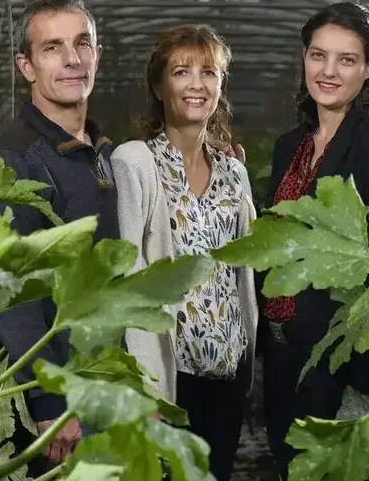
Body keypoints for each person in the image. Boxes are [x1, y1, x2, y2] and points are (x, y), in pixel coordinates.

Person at [259, 2, 369, 479]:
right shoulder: (293, 146)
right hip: (286, 357)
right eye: (317, 55)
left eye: (346, 60)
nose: (328, 71)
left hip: (341, 362)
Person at [0, 0, 119, 469]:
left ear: (98, 54)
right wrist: (49, 403)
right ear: (27, 66)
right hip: (62, 402)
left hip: (101, 380)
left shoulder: (99, 150)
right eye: (52, 47)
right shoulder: (15, 159)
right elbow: (9, 292)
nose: (72, 59)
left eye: (82, 44)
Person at [111, 24, 259, 481]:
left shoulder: (234, 172)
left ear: (221, 86)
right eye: (182, 72)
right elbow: (129, 280)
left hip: (229, 374)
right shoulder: (135, 163)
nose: (197, 84)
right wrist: (145, 387)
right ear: (159, 86)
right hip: (172, 376)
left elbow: (245, 271)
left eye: (209, 72)